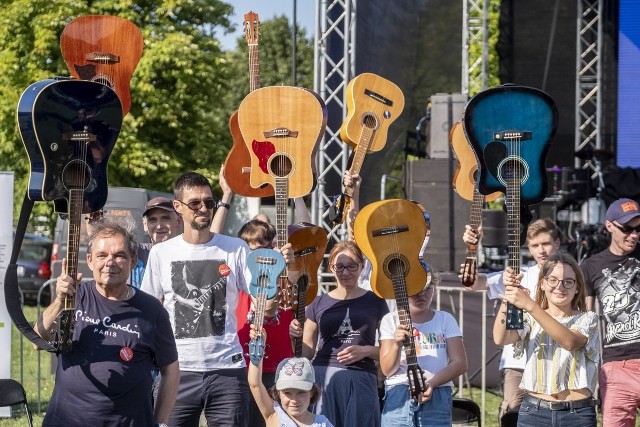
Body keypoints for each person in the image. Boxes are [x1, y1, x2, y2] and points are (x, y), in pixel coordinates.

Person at [141, 171, 291, 427]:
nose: (204, 208)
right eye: (195, 203)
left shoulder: (235, 248)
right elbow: (148, 310)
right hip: (177, 369)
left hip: (227, 369)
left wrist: (271, 286)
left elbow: (263, 303)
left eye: (209, 202)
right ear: (178, 207)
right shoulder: (161, 253)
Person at [34, 218, 179, 427]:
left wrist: (161, 422)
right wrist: (59, 301)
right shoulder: (75, 296)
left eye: (119, 255)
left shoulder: (152, 310)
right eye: (102, 255)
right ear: (90, 260)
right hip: (66, 421)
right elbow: (36, 340)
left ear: (133, 260)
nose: (110, 262)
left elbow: (170, 369)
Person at [462, 217, 561, 422]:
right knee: (512, 417)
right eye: (535, 245)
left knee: (552, 419)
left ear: (557, 243)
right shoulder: (518, 276)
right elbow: (472, 284)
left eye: (546, 244)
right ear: (529, 249)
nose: (541, 250)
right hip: (518, 362)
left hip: (555, 360)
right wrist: (473, 246)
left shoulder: (569, 277)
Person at [289, 240, 389, 427]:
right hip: (323, 378)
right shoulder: (318, 303)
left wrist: (366, 351)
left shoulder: (376, 301)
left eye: (351, 266)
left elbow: (389, 349)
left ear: (362, 266)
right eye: (340, 267)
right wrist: (294, 336)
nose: (345, 272)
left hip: (361, 377)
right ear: (331, 267)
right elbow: (307, 352)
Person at [493, 251, 600, 427]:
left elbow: (569, 342)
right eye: (553, 280)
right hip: (534, 412)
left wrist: (530, 304)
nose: (560, 286)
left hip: (577, 414)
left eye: (568, 281)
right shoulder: (530, 316)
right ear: (542, 283)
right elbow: (501, 337)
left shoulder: (588, 319)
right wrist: (509, 296)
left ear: (577, 288)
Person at [379, 269, 468, 426]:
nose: (421, 294)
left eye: (427, 288)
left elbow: (460, 363)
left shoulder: (445, 319)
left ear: (434, 288)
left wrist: (432, 383)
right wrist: (396, 345)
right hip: (399, 392)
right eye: (415, 289)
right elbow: (387, 370)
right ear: (403, 290)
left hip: (438, 391)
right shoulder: (391, 320)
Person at [580, 197, 640, 427]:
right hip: (617, 365)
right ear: (609, 226)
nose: (633, 235)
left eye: (638, 229)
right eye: (626, 229)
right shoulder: (591, 266)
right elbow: (587, 317)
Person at [237, 218, 295, 427]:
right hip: (243, 366)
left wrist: (287, 264)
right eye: (249, 251)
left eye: (262, 249)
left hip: (277, 367)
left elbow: (270, 309)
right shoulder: (238, 280)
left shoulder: (284, 276)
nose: (257, 256)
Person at [247, 325, 334, 427]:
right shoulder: (273, 414)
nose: (294, 400)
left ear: (312, 392)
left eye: (301, 392)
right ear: (278, 393)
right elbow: (255, 384)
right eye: (287, 393)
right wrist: (258, 346)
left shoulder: (322, 423)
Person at [130, 196, 182, 288]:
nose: (159, 226)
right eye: (152, 220)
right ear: (145, 225)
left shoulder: (187, 255)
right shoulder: (134, 253)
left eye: (165, 218)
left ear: (178, 221)